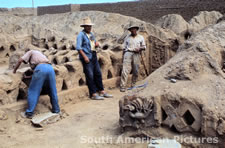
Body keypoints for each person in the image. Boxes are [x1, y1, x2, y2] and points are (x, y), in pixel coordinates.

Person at [13, 50, 60, 118]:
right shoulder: (40, 55)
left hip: (40, 69)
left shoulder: (30, 52)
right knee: (52, 90)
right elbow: (40, 72)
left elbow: (20, 60)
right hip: (50, 69)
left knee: (33, 91)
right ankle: (56, 110)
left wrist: (14, 71)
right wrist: (29, 77)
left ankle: (29, 113)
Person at [76, 17, 113, 100]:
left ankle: (101, 91)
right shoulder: (81, 35)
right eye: (88, 26)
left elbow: (94, 42)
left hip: (93, 55)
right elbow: (78, 47)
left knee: (98, 73)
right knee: (90, 75)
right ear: (84, 27)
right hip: (87, 56)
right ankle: (93, 93)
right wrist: (84, 57)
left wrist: (96, 44)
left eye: (90, 26)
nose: (89, 27)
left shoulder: (91, 34)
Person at [120, 22, 146, 92]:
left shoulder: (141, 37)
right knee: (125, 70)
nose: (133, 30)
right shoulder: (127, 37)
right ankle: (123, 86)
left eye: (134, 29)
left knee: (136, 70)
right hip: (128, 53)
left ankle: (133, 85)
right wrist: (123, 57)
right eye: (131, 29)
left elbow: (144, 47)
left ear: (136, 29)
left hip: (136, 54)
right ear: (130, 30)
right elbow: (124, 47)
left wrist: (140, 48)